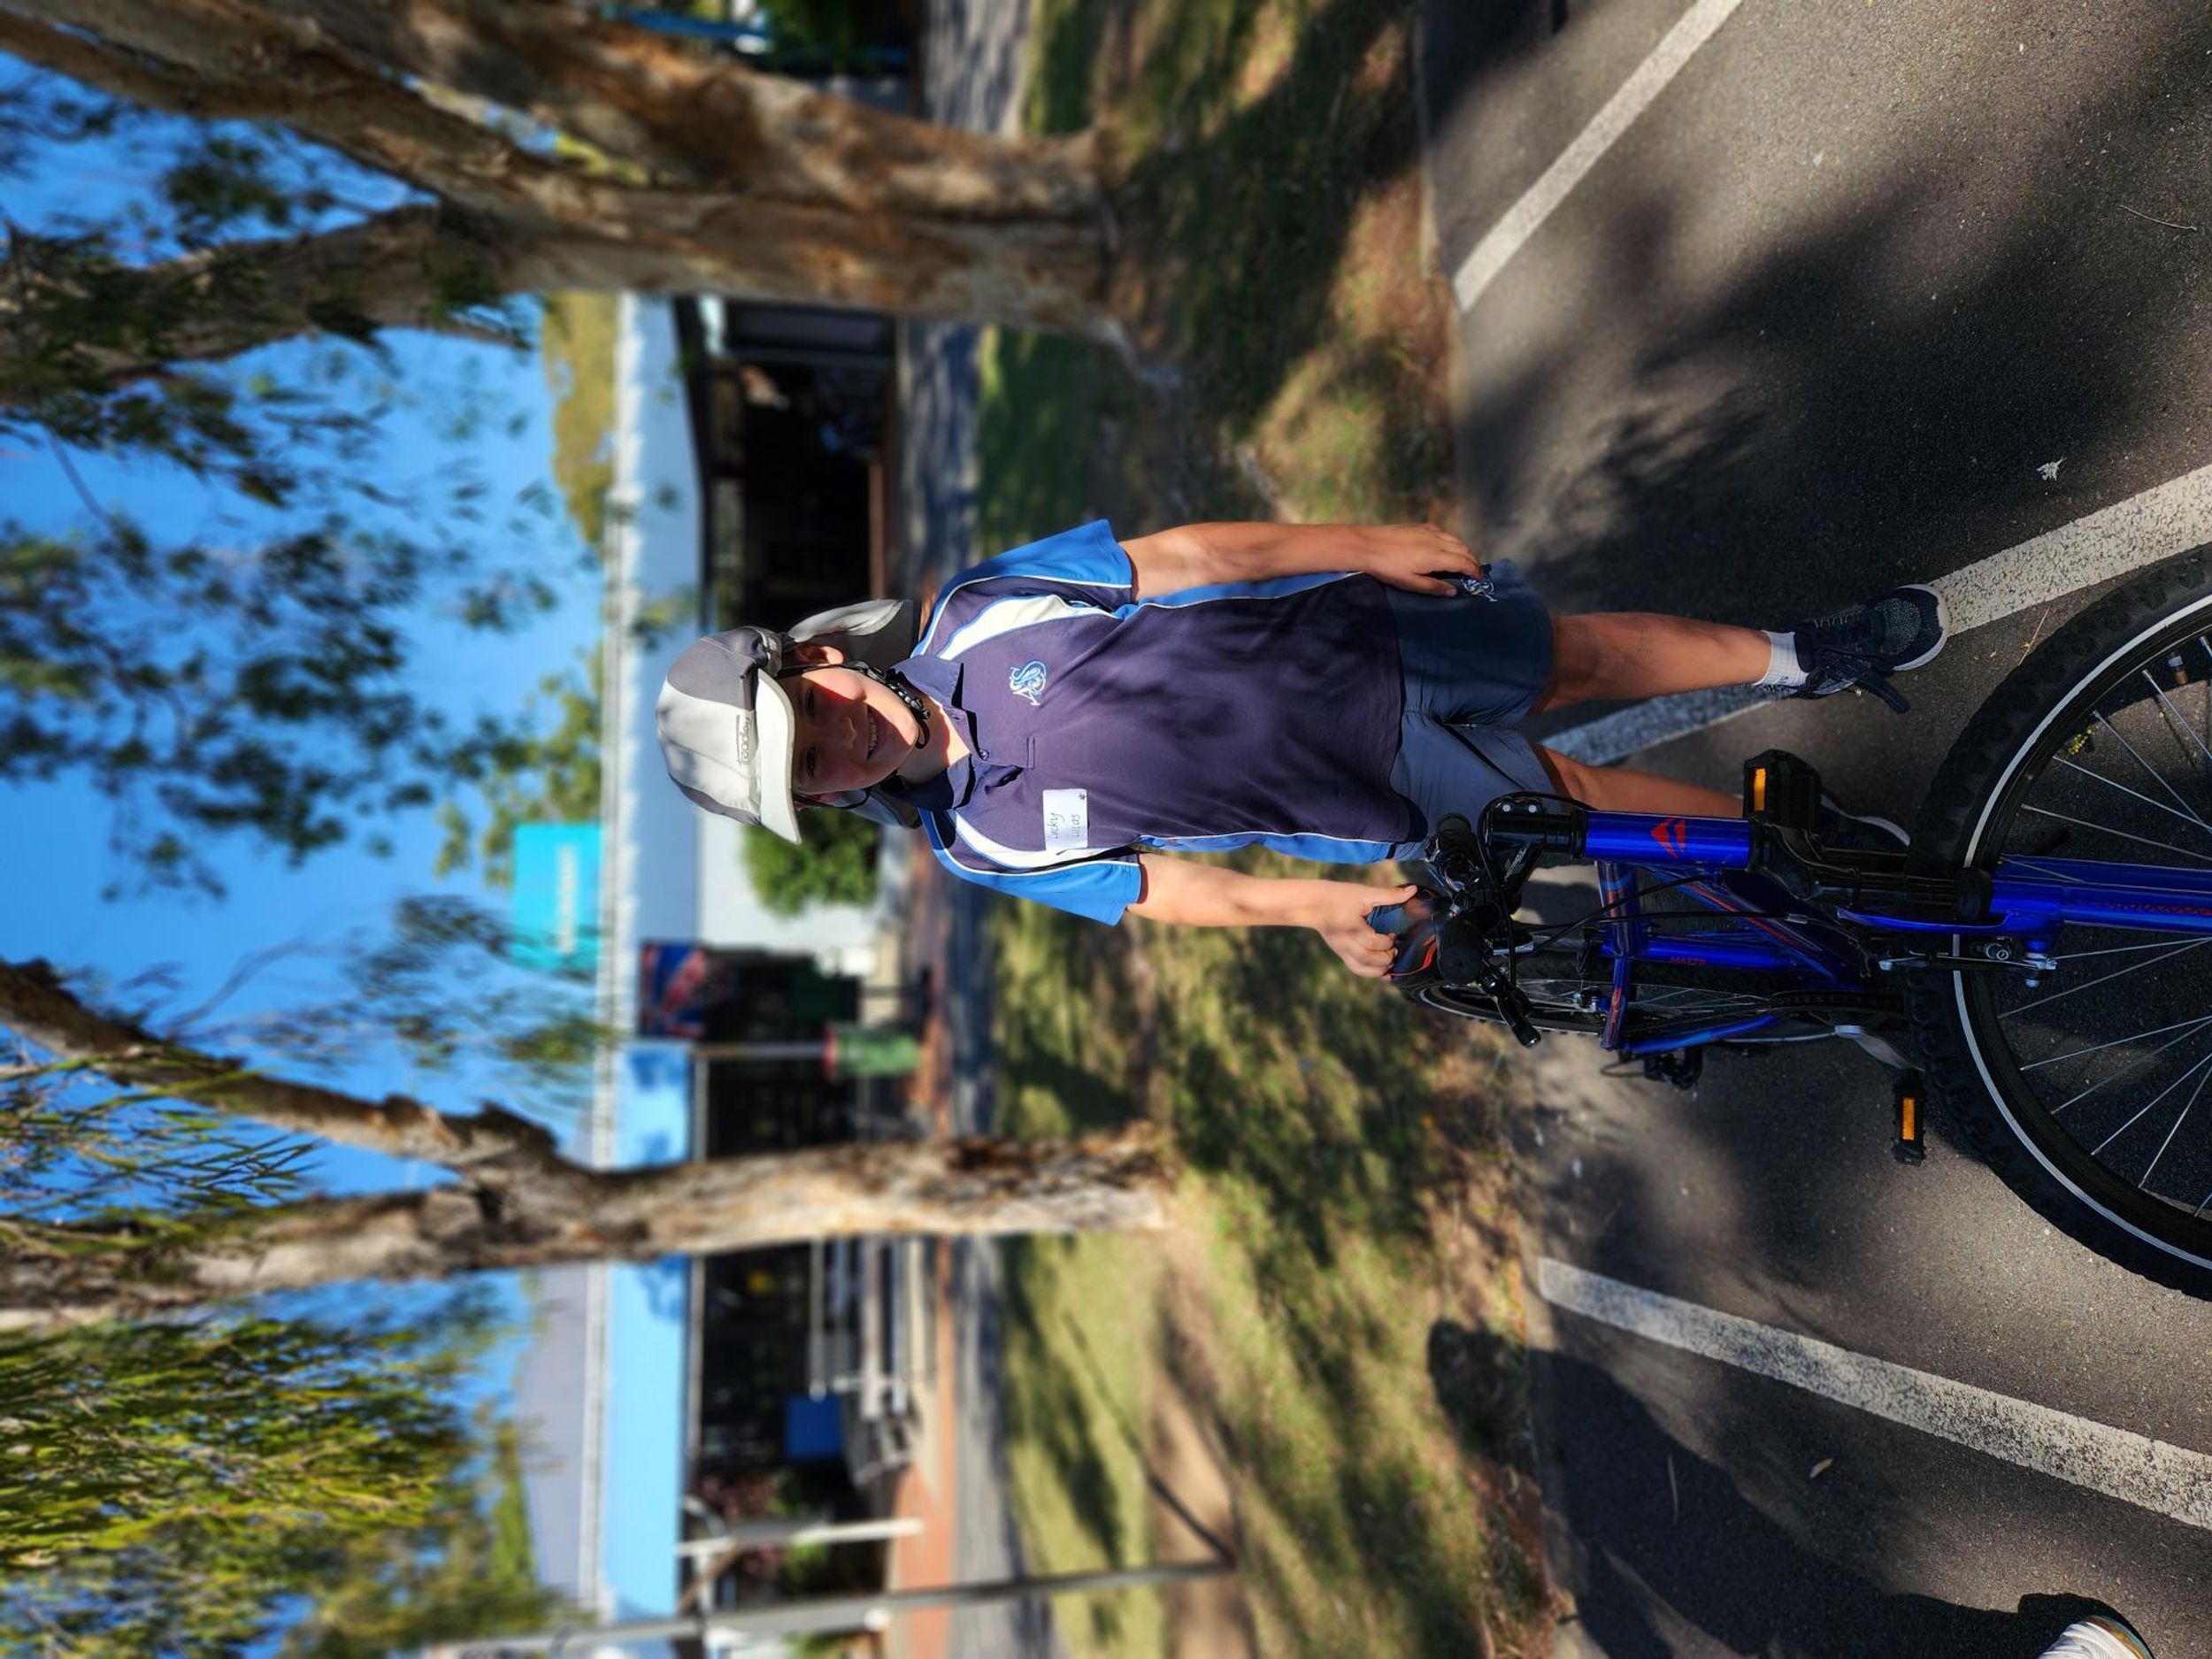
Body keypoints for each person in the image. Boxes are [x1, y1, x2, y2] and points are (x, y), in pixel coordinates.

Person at [657, 520, 1947, 979]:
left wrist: (1358, 542)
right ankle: (1809, 855)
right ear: (826, 801)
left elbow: (1189, 558)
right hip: (1370, 791)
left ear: (815, 660)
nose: (836, 741)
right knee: (1582, 804)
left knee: (1584, 657)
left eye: (808, 715)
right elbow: (1165, 890)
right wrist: (1323, 909)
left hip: (1366, 640)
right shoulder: (980, 843)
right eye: (809, 771)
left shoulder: (980, 607)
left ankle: (1803, 656)